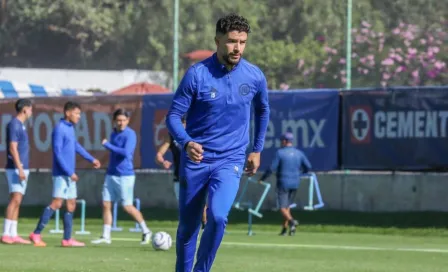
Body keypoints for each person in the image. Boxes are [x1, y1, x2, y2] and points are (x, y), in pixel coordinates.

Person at [166, 13, 270, 272]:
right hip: (196, 161)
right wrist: (186, 142)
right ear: (218, 40)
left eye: (243, 42)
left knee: (219, 216)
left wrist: (256, 149)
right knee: (188, 228)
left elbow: (263, 111)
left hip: (230, 160)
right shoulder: (197, 74)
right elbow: (173, 117)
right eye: (232, 41)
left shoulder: (254, 76)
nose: (237, 48)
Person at [29, 101, 101, 247]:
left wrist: (91, 158)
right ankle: (36, 234)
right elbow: (57, 153)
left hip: (70, 174)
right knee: (57, 203)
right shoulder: (59, 129)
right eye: (77, 113)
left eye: (80, 114)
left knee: (71, 204)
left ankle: (67, 239)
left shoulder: (70, 128)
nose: (79, 117)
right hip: (62, 174)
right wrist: (69, 172)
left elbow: (76, 146)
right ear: (68, 113)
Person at [91, 108, 152, 245]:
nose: (121, 123)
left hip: (125, 175)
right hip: (111, 174)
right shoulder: (113, 134)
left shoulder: (130, 135)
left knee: (127, 206)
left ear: (128, 121)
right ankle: (106, 236)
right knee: (106, 204)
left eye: (124, 120)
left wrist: (107, 145)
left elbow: (125, 152)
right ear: (114, 121)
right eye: (118, 120)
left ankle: (146, 231)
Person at [155, 116, 207, 229]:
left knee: (201, 205)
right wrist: (162, 161)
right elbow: (158, 155)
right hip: (180, 178)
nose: (183, 126)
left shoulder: (197, 135)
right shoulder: (172, 137)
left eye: (185, 123)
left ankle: (205, 226)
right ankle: (190, 232)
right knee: (186, 208)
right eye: (180, 123)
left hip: (197, 176)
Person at [258, 132, 312, 236]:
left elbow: (271, 168)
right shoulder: (299, 153)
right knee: (287, 207)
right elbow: (308, 167)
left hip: (283, 182)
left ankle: (292, 222)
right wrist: (299, 174)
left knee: (282, 207)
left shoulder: (280, 153)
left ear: (284, 141)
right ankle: (285, 229)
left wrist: (263, 178)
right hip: (295, 182)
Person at [1, 99, 33, 245]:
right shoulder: (14, 124)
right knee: (14, 199)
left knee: (18, 200)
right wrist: (19, 168)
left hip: (22, 167)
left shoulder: (21, 125)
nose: (31, 112)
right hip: (16, 168)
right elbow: (13, 147)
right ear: (25, 109)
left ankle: (14, 234)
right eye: (30, 109)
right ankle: (6, 233)